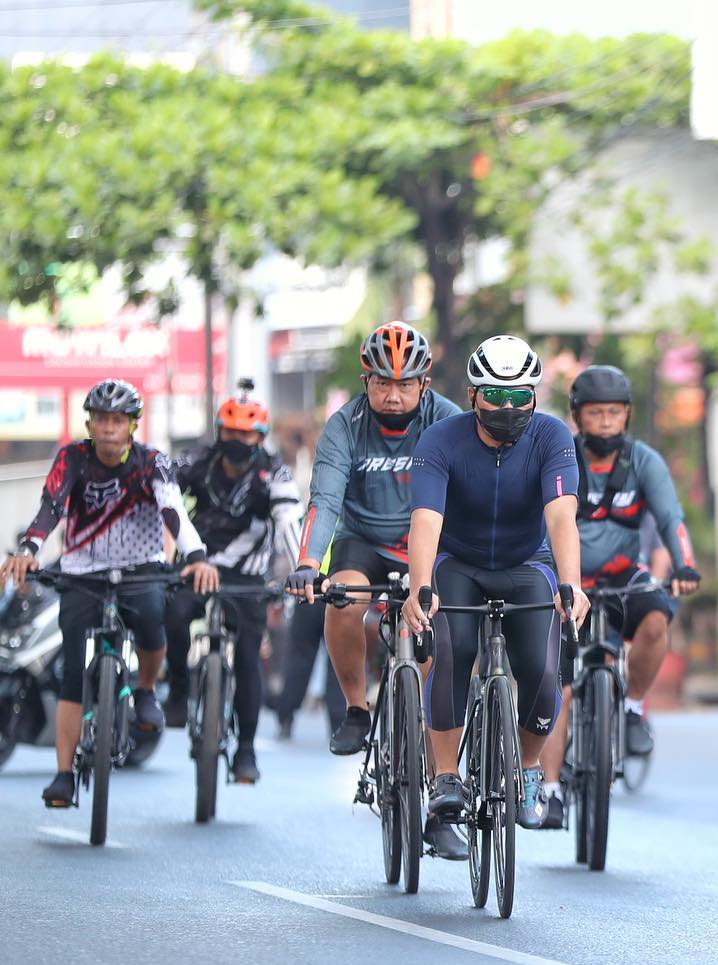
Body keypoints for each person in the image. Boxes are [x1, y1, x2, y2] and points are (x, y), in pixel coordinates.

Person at [283, 322, 464, 858]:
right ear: (366, 381)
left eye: (405, 384)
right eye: (382, 383)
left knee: (440, 649)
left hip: (428, 544)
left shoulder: (448, 421)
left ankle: (440, 791)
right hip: (363, 541)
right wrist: (309, 562)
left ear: (424, 383)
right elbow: (325, 499)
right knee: (343, 598)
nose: (393, 395)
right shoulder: (344, 426)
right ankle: (356, 709)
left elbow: (470, 489)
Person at [401, 334, 589, 834]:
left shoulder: (552, 437)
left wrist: (571, 584)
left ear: (534, 396)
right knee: (451, 649)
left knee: (543, 670)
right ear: (472, 395)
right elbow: (426, 520)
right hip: (458, 563)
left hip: (526, 562)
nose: (508, 408)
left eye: (519, 396)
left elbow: (561, 517)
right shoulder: (441, 440)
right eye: (496, 396)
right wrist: (420, 588)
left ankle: (527, 767)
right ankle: (446, 775)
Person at [0, 380, 219, 808]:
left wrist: (196, 556)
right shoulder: (72, 458)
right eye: (100, 419)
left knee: (153, 621)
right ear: (89, 424)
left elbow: (173, 510)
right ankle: (64, 775)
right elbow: (49, 507)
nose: (108, 428)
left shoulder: (152, 462)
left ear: (132, 425)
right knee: (70, 673)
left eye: (117, 420)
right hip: (83, 572)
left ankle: (146, 691)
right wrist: (28, 550)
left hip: (141, 569)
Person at [535, 365, 700, 826]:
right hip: (566, 582)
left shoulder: (643, 461)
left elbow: (671, 518)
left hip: (622, 575)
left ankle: (632, 707)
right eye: (595, 413)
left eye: (614, 412)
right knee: (558, 685)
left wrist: (684, 564)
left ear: (627, 414)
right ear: (577, 416)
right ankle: (551, 790)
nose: (606, 422)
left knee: (656, 619)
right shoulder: (559, 458)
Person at [162, 387, 301, 784]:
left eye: (247, 434)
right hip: (198, 565)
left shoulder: (275, 472)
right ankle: (177, 690)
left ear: (261, 437)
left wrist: (302, 569)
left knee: (247, 657)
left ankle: (246, 749)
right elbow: (163, 488)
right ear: (219, 432)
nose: (238, 440)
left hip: (248, 577)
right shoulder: (199, 460)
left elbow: (289, 522)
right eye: (231, 433)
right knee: (173, 614)